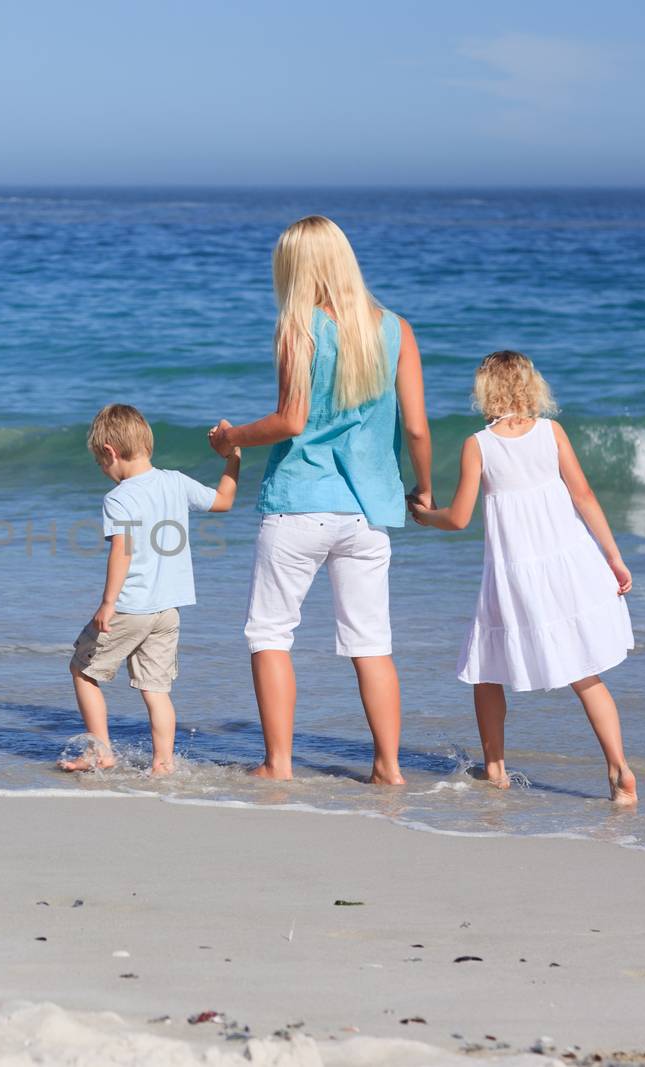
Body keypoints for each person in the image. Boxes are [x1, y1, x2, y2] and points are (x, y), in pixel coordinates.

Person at [209, 215, 432, 785]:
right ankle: (388, 769)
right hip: (367, 510)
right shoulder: (396, 328)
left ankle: (278, 766)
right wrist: (424, 488)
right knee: (371, 644)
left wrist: (230, 438)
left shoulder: (299, 325)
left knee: (269, 633)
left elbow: (291, 420)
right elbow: (416, 429)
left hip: (300, 503)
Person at [411, 351, 637, 804]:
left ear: (485, 391)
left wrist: (424, 515)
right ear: (531, 386)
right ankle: (618, 769)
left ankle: (495, 769)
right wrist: (614, 556)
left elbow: (458, 518)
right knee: (584, 672)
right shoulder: (552, 432)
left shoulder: (480, 444)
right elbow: (584, 495)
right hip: (567, 565)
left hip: (513, 575)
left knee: (486, 670)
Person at [64, 403, 241, 775]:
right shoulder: (175, 481)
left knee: (83, 671)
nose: (104, 472)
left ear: (110, 452)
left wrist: (107, 603)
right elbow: (224, 502)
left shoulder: (120, 497)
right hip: (168, 610)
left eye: (101, 463)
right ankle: (163, 764)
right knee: (157, 690)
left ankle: (100, 753)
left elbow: (123, 550)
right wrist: (233, 457)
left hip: (131, 607)